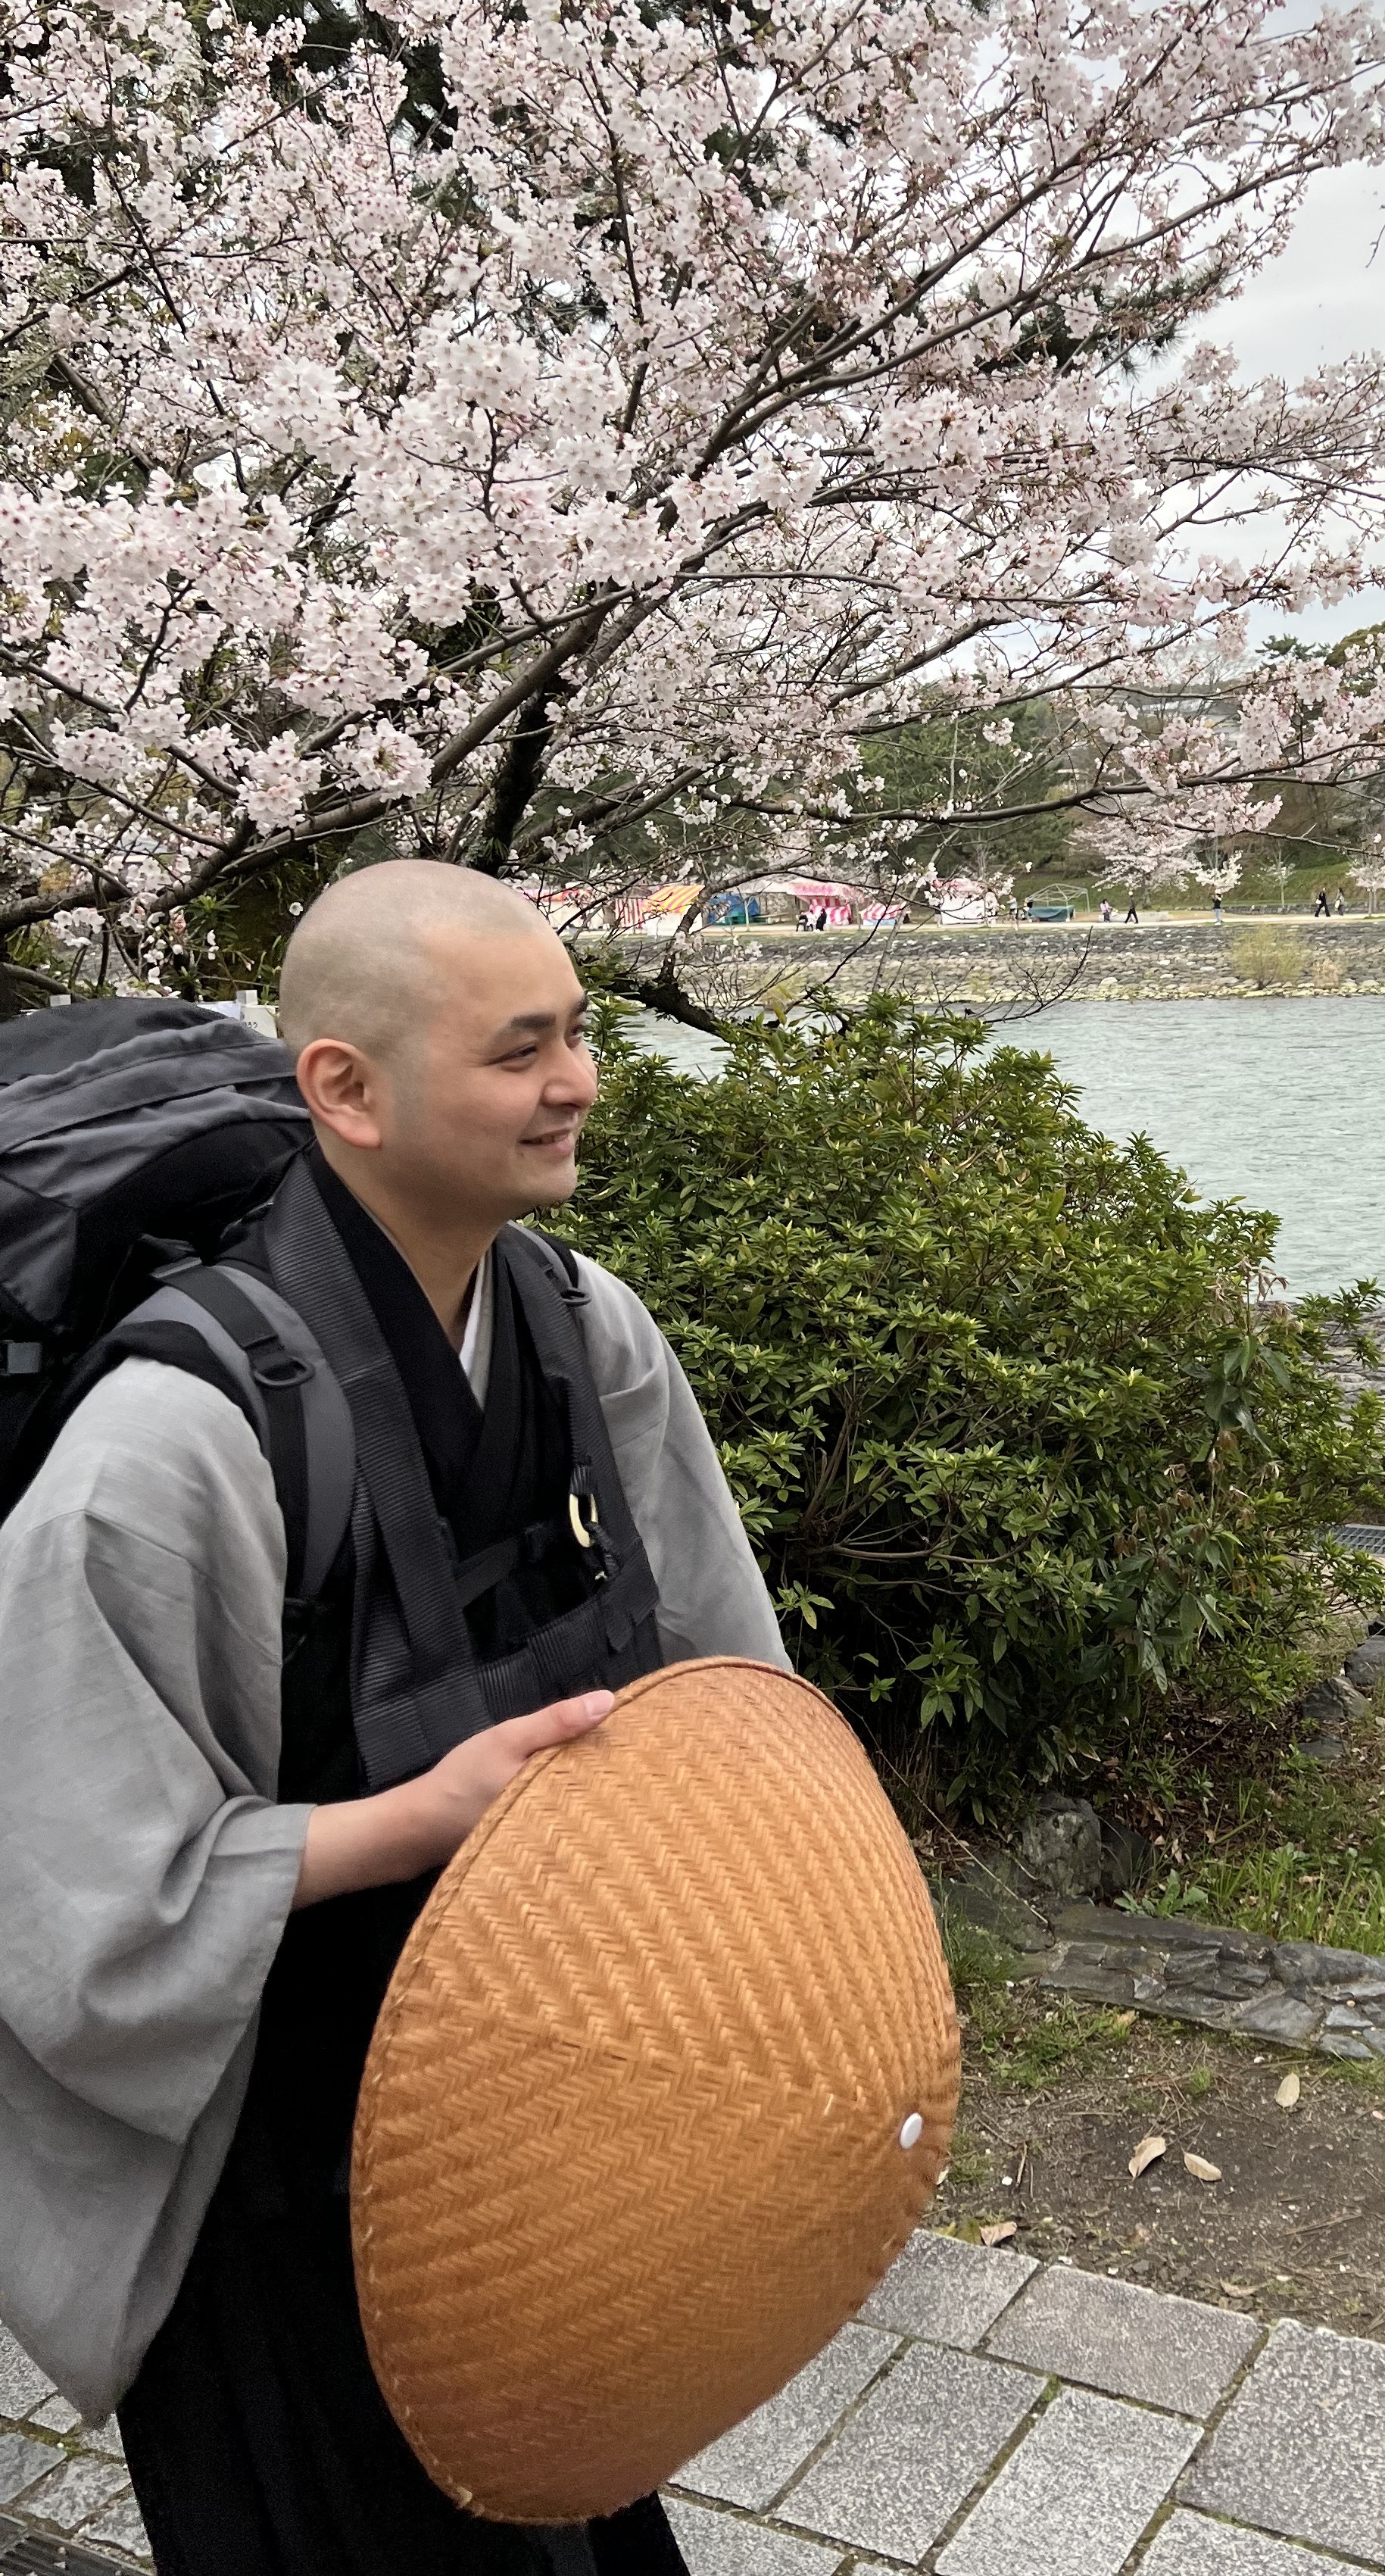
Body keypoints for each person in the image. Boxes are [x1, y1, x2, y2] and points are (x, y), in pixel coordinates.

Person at [0, 864, 787, 2575]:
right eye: (522, 1049)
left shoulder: (588, 1332)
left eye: (579, 1031)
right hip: (279, 2181)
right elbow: (76, 1913)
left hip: (548, 2113)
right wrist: (424, 1821)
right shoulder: (169, 1448)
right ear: (344, 1090)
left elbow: (735, 1695)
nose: (577, 1078)